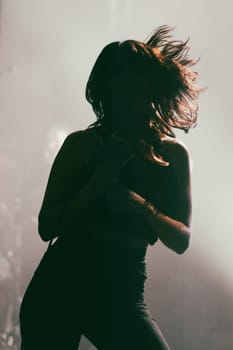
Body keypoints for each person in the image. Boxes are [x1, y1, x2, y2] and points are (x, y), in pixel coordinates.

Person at [19, 25, 204, 349]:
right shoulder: (81, 145)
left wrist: (142, 206)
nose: (123, 98)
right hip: (61, 285)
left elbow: (180, 239)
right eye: (115, 89)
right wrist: (94, 186)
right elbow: (47, 227)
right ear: (104, 93)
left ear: (149, 90)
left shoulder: (173, 155)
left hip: (123, 289)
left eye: (131, 87)